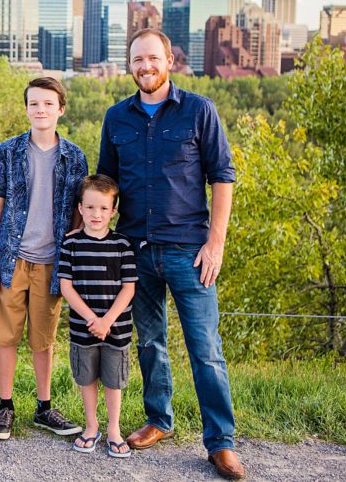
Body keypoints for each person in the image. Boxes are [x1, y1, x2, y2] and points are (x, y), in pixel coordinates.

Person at [97, 28, 244, 480]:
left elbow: (223, 176)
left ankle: (220, 442)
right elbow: (105, 184)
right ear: (130, 65)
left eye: (153, 58)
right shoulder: (116, 118)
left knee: (206, 351)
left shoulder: (200, 111)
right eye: (138, 59)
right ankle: (159, 420)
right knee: (151, 344)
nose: (146, 66)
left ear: (170, 61)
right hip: (135, 251)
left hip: (190, 252)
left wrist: (215, 242)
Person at [0, 76, 87, 440]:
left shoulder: (75, 157)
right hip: (12, 260)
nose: (40, 110)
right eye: (33, 104)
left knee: (43, 339)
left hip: (51, 263)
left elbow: (78, 210)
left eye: (47, 104)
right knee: (6, 336)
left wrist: (70, 250)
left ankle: (44, 408)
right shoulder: (8, 151)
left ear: (60, 109)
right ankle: (5, 406)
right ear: (26, 108)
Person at [58, 174, 137, 458]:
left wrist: (107, 321)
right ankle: (91, 427)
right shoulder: (71, 245)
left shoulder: (122, 245)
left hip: (116, 329)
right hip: (83, 328)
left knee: (114, 381)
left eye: (103, 208)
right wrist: (93, 319)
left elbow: (128, 288)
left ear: (113, 211)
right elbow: (66, 287)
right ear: (80, 208)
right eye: (90, 207)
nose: (96, 214)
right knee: (87, 379)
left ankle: (113, 430)